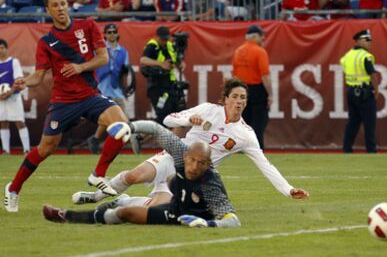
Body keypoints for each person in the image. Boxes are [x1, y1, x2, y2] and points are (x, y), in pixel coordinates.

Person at [72, 78, 309, 206]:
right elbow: (167, 119)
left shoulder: (246, 134)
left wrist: (288, 190)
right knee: (134, 176)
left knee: (157, 206)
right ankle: (94, 197)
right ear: (225, 99)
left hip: (194, 175)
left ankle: (123, 202)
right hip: (175, 155)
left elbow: (265, 165)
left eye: (243, 98)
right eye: (234, 96)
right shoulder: (208, 110)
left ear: (246, 102)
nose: (239, 101)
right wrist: (187, 119)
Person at [3, 0, 129, 213]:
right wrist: (24, 82)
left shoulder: (87, 25)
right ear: (49, 10)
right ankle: (13, 189)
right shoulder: (46, 42)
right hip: (63, 101)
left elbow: (103, 57)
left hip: (90, 95)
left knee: (122, 126)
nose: (60, 8)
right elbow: (39, 76)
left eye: (63, 3)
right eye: (55, 5)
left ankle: (98, 174)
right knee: (45, 149)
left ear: (67, 5)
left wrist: (80, 67)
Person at [44, 120, 241, 228]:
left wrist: (207, 224)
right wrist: (131, 127)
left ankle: (122, 200)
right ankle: (68, 216)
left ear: (209, 165)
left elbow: (233, 220)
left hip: (183, 217)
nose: (194, 166)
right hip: (174, 211)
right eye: (192, 160)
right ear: (186, 156)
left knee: (132, 208)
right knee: (125, 212)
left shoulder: (211, 183)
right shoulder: (181, 156)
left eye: (201, 163)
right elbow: (157, 129)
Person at [87, 23, 129, 154]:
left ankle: (96, 139)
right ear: (104, 34)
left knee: (121, 118)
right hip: (101, 87)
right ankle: (107, 145)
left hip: (116, 88)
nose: (111, 34)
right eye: (109, 32)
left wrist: (125, 88)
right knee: (112, 118)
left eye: (114, 32)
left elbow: (125, 72)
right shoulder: (99, 49)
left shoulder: (123, 52)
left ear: (117, 34)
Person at [232, 25, 272, 150]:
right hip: (257, 90)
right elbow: (265, 75)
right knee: (259, 122)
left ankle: (243, 148)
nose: (263, 38)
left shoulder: (238, 51)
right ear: (255, 36)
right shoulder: (260, 51)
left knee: (244, 121)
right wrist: (270, 93)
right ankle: (257, 148)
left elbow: (235, 74)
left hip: (242, 89)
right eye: (261, 36)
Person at [340, 29, 379, 153]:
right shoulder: (365, 56)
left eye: (370, 40)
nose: (369, 42)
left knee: (353, 122)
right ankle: (371, 151)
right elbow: (372, 75)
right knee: (369, 123)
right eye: (366, 40)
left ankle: (346, 150)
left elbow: (345, 72)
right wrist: (376, 90)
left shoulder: (347, 56)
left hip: (351, 91)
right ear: (357, 41)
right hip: (365, 92)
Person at [140, 26, 186, 125]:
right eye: (162, 39)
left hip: (170, 86)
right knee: (162, 115)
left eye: (166, 39)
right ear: (157, 37)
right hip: (157, 87)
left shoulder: (170, 45)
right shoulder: (152, 45)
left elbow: (176, 60)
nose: (164, 41)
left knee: (176, 113)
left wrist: (181, 63)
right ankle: (142, 136)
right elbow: (143, 60)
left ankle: (170, 138)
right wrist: (161, 63)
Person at [0, 39, 30, 155]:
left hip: (14, 97)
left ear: (6, 49)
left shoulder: (14, 62)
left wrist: (10, 92)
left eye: (2, 48)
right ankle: (6, 150)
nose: (0, 51)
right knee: (2, 122)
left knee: (19, 122)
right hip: (1, 99)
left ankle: (26, 150)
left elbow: (18, 80)